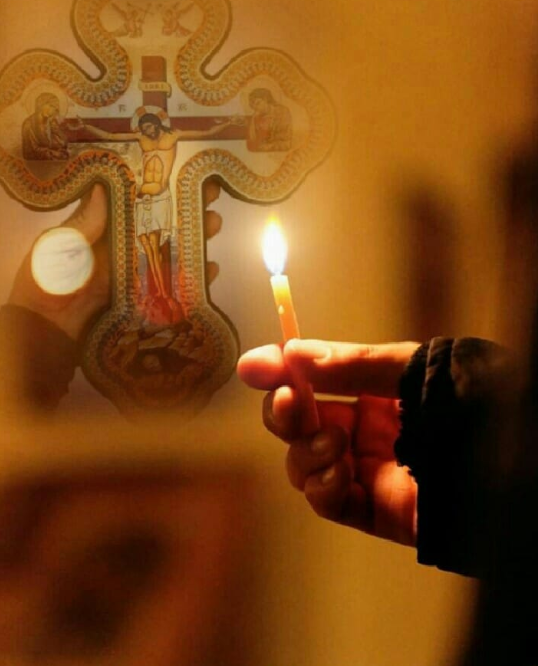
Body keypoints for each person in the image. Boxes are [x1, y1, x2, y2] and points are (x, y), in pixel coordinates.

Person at [81, 112, 237, 310]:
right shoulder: (141, 138)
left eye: (149, 126)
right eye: (143, 128)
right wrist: (86, 125)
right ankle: (153, 294)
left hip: (160, 198)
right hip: (141, 198)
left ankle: (163, 293)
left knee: (156, 247)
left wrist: (226, 125)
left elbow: (203, 132)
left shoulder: (173, 135)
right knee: (145, 248)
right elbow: (111, 136)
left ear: (157, 123)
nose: (147, 131)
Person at [22, 92, 69, 161]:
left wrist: (55, 129)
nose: (54, 110)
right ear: (41, 105)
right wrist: (54, 153)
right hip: (35, 164)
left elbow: (63, 144)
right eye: (51, 106)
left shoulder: (50, 122)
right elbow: (31, 151)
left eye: (56, 108)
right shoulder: (29, 124)